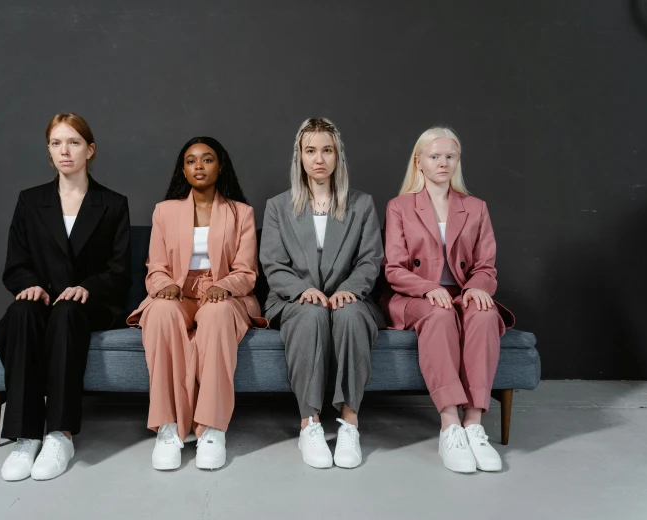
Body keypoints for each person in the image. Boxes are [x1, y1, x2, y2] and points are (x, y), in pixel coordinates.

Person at [0, 113, 131, 481]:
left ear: (90, 150)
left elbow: (119, 272)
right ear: (49, 151)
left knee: (69, 312)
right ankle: (26, 436)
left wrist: (87, 287)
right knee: (22, 313)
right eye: (56, 143)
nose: (64, 151)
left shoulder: (113, 203)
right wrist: (30, 285)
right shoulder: (30, 201)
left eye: (73, 142)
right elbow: (15, 263)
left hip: (90, 305)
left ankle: (60, 434)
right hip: (43, 303)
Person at [381, 127, 515, 473]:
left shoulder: (475, 207)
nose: (443, 163)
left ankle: (474, 423)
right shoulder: (399, 206)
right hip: (414, 296)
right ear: (419, 161)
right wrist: (427, 289)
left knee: (484, 315)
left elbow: (486, 265)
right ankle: (449, 425)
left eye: (450, 156)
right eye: (435, 156)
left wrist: (476, 288)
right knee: (439, 316)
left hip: (462, 293)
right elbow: (393, 268)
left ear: (458, 161)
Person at [127, 137, 264, 471]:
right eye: (191, 161)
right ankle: (167, 426)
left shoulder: (240, 212)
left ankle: (212, 429)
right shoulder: (165, 211)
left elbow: (246, 271)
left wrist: (223, 286)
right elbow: (155, 267)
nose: (199, 166)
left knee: (217, 315)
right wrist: (166, 286)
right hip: (177, 290)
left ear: (220, 166)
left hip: (222, 293)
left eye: (207, 159)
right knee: (159, 311)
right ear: (183, 169)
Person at [260, 118, 384, 469]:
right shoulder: (278, 207)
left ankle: (349, 423)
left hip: (350, 297)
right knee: (312, 314)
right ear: (299, 156)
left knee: (349, 315)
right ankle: (309, 424)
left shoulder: (362, 205)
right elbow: (273, 263)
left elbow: (370, 258)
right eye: (310, 150)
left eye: (327, 150)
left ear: (338, 156)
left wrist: (349, 289)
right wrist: (304, 290)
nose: (319, 159)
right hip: (294, 300)